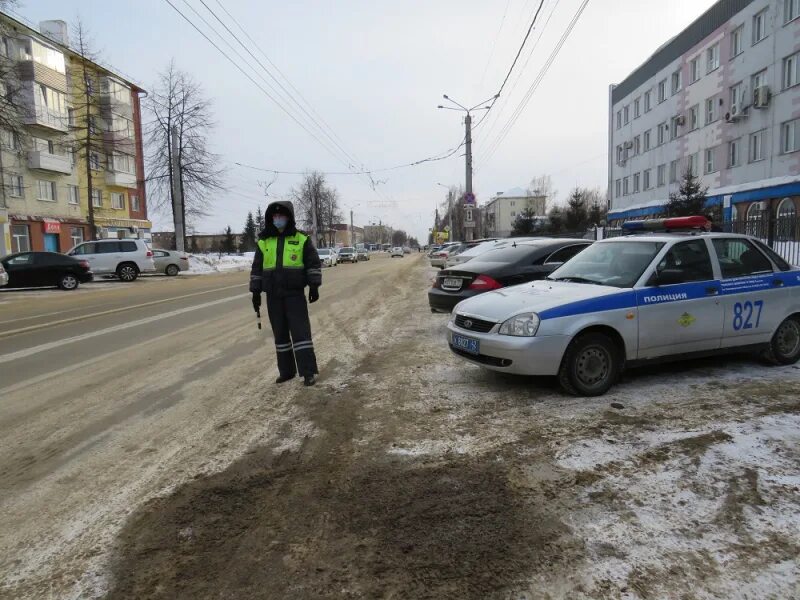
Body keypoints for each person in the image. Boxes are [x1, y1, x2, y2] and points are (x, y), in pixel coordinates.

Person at [250, 201, 322, 387]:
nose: (278, 219)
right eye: (274, 217)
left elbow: (313, 263)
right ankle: (287, 371)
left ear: (289, 218)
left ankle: (308, 372)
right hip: (273, 295)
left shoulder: (301, 239)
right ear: (270, 219)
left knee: (301, 334)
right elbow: (257, 268)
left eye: (281, 216)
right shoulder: (264, 241)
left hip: (294, 294)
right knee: (280, 335)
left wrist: (314, 286)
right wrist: (255, 292)